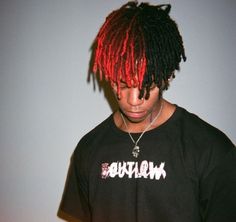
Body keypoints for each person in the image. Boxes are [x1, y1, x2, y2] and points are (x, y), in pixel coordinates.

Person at [58, 1, 236, 222]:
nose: (134, 101)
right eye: (122, 84)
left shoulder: (212, 150)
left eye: (147, 86)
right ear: (109, 77)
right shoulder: (88, 149)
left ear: (167, 76)